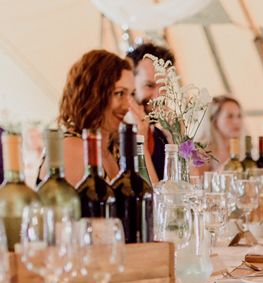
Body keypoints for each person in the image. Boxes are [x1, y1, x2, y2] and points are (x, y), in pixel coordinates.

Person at [58, 49, 156, 186]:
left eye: (131, 94)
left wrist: (141, 142)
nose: (128, 106)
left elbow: (152, 198)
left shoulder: (114, 146)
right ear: (93, 94)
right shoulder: (72, 148)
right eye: (120, 93)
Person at [125, 42, 175, 181]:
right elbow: (150, 195)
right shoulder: (118, 137)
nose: (159, 96)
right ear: (129, 83)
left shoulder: (161, 136)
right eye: (150, 85)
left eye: (164, 87)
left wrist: (175, 140)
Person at [193, 95, 243, 174]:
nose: (236, 122)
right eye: (230, 116)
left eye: (239, 116)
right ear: (215, 120)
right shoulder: (202, 152)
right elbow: (197, 183)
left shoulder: (241, 150)